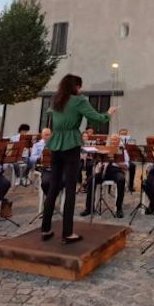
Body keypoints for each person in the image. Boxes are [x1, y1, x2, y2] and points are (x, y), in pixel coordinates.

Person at [40, 74, 116, 244]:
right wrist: (108, 114)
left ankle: (46, 229)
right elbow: (95, 118)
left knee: (53, 187)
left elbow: (52, 117)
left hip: (55, 143)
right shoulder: (79, 100)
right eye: (79, 86)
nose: (80, 90)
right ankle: (67, 233)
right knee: (70, 188)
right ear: (76, 87)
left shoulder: (56, 100)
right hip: (71, 142)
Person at [81, 134, 127, 218]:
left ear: (119, 141)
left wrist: (115, 161)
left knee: (121, 179)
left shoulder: (122, 150)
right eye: (112, 140)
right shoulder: (105, 149)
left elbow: (126, 167)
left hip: (116, 171)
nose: (113, 142)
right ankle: (89, 208)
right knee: (91, 179)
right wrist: (100, 158)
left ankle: (119, 208)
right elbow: (98, 161)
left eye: (116, 140)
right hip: (104, 171)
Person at [118, 128, 137, 192]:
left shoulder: (130, 141)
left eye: (125, 134)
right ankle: (120, 185)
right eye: (122, 134)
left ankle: (130, 186)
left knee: (133, 166)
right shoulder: (117, 141)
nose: (123, 135)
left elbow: (133, 152)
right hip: (119, 160)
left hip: (127, 160)